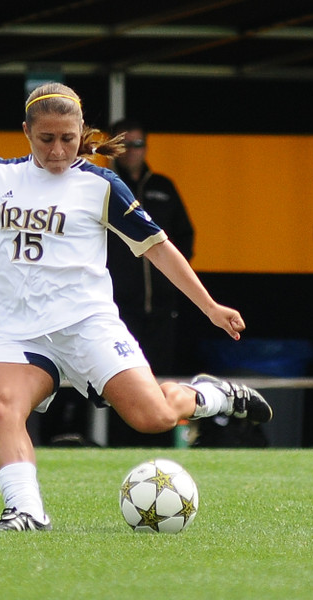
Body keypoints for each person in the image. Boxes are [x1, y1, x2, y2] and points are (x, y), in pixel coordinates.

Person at [0, 82, 273, 531]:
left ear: (81, 131)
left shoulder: (101, 185)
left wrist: (210, 306)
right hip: (22, 334)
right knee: (2, 406)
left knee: (154, 418)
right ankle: (25, 509)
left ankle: (213, 395)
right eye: (47, 139)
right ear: (26, 132)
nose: (58, 149)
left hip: (88, 327)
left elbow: (159, 248)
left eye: (68, 138)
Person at [106, 118, 197, 446]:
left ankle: (161, 447)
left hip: (160, 308)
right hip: (117, 308)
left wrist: (168, 277)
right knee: (121, 380)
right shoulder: (103, 186)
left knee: (160, 376)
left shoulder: (164, 187)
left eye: (139, 144)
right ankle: (119, 446)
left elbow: (184, 238)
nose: (133, 151)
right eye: (126, 144)